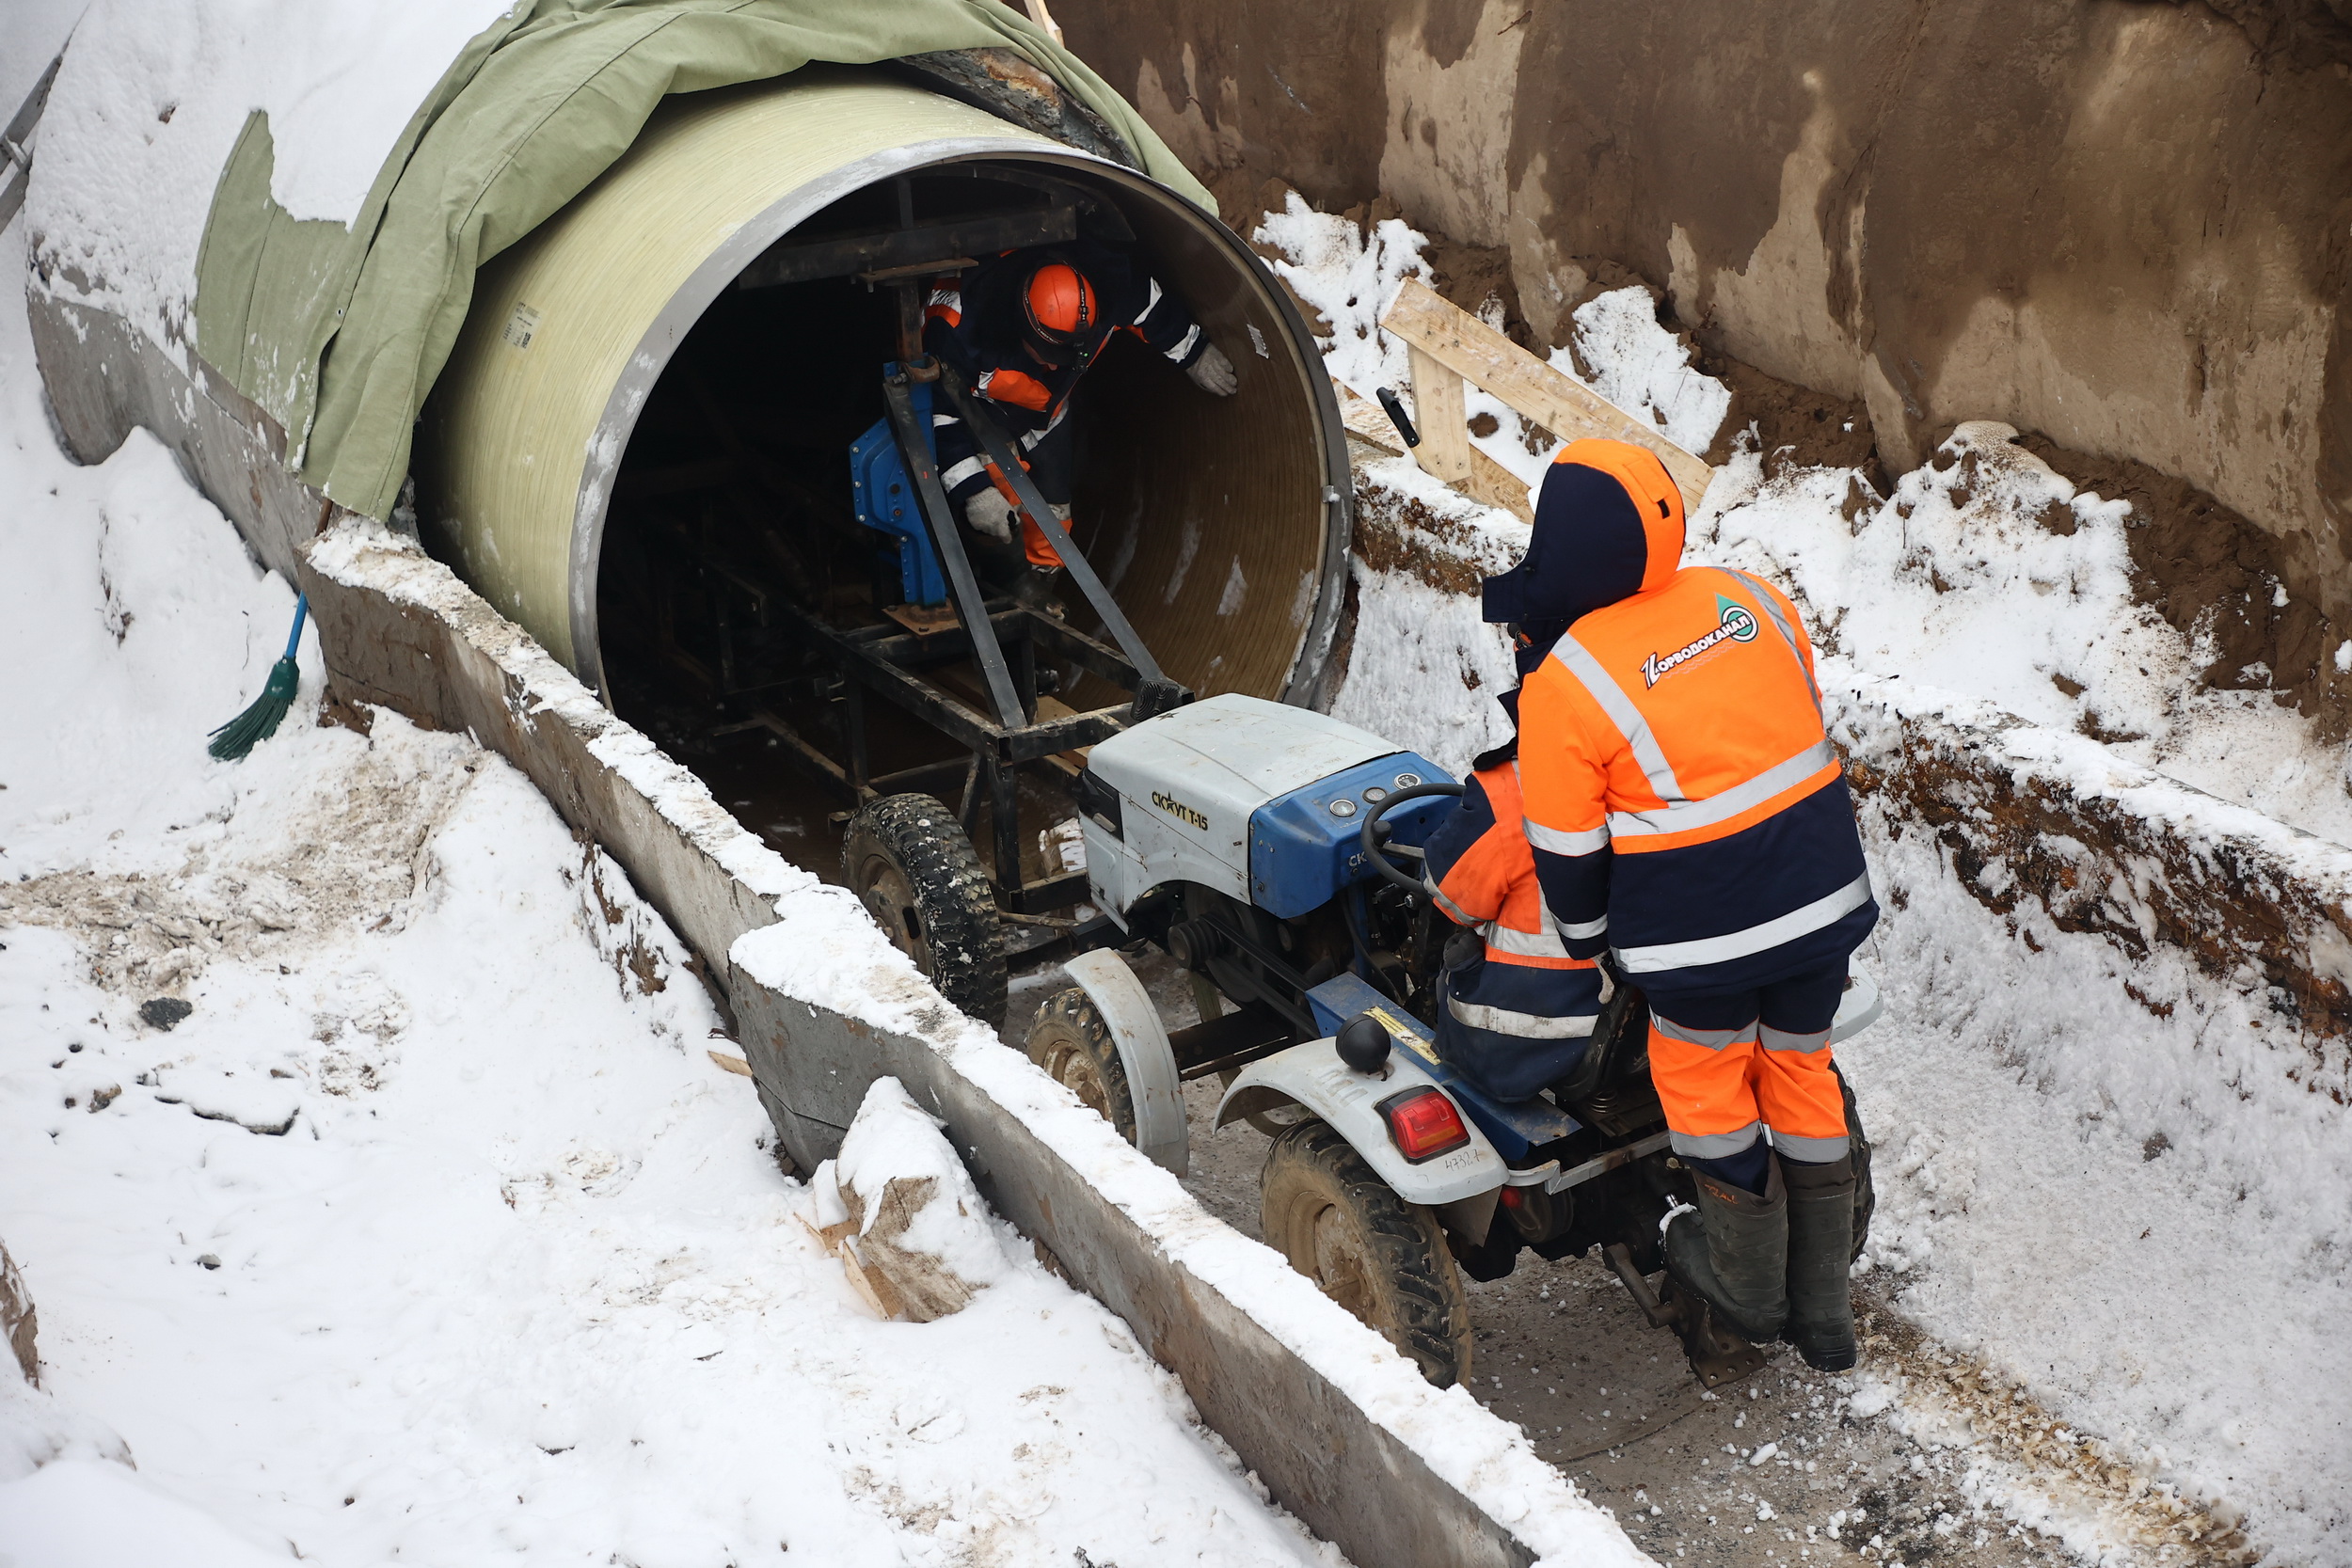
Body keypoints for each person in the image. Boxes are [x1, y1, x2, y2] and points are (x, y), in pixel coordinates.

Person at [1493, 436, 1878, 1371]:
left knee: (1706, 1089)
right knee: (1798, 1067)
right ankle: (1825, 1315)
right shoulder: (1750, 596)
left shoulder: (1566, 679)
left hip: (1701, 940)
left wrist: (1589, 940)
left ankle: (1750, 1291)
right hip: (1822, 900)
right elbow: (1786, 721)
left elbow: (1567, 849)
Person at [922, 238, 1238, 606]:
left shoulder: (1111, 284)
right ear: (1022, 325)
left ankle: (1042, 590)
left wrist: (1194, 352)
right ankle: (1000, 585)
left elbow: (1151, 307)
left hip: (1047, 413)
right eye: (1047, 354)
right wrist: (973, 491)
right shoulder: (960, 328)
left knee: (1054, 514)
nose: (1053, 364)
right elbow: (938, 417)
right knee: (999, 511)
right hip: (981, 415)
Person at [1418, 685, 1610, 1104]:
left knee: (1453, 955)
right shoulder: (1653, 775)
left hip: (1521, 1040)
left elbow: (1453, 899)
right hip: (1627, 1025)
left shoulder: (1509, 790)